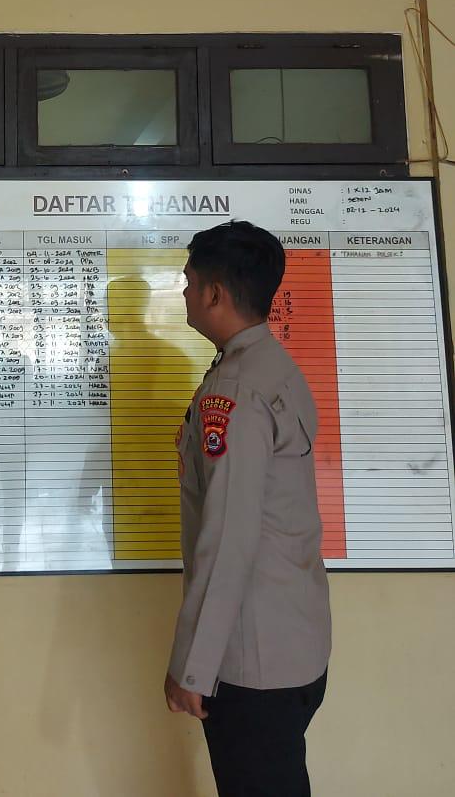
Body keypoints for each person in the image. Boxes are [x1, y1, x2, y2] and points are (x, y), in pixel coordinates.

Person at [164, 221, 331, 797]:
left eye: (189, 282)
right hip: (296, 645)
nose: (184, 293)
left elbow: (228, 538)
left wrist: (192, 666)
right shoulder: (275, 366)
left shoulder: (233, 390)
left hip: (251, 663)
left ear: (215, 293)